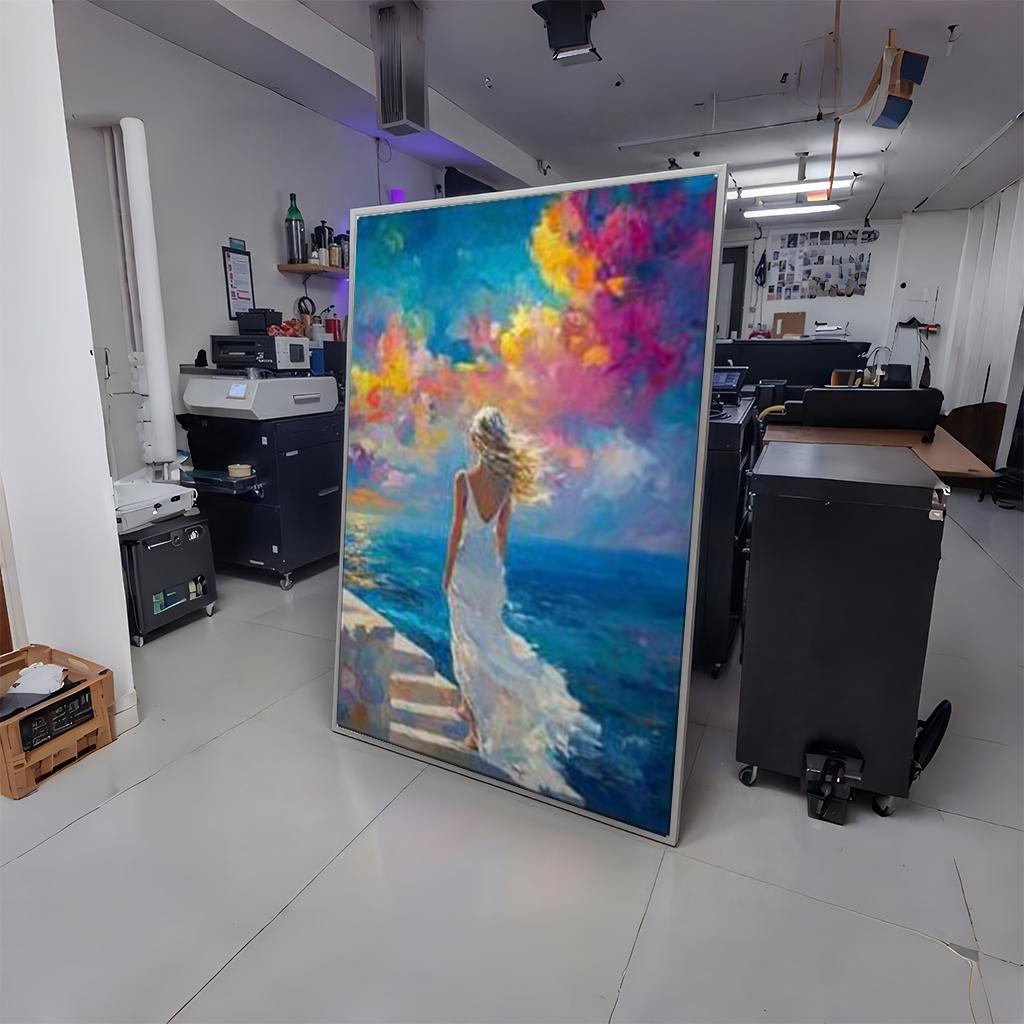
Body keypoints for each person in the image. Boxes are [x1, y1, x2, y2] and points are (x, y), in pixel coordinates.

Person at [442, 407, 598, 802]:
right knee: (489, 639)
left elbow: (457, 530)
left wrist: (447, 574)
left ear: (477, 439)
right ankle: (467, 705)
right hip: (490, 572)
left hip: (467, 567)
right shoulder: (507, 482)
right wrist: (497, 573)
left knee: (466, 641)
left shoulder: (463, 479)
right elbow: (502, 536)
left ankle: (475, 728)